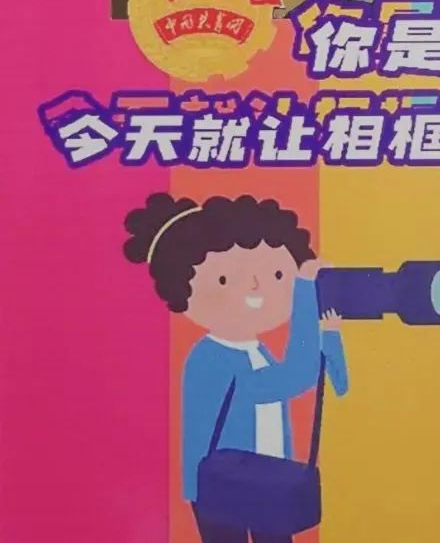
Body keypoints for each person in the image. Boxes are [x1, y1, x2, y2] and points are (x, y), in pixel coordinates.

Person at [124, 193, 348, 543]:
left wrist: (329, 333)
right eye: (225, 279)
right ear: (182, 290)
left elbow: (330, 382)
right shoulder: (210, 358)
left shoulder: (257, 351)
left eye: (277, 274)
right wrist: (306, 294)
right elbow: (293, 378)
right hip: (222, 487)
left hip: (269, 481)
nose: (256, 288)